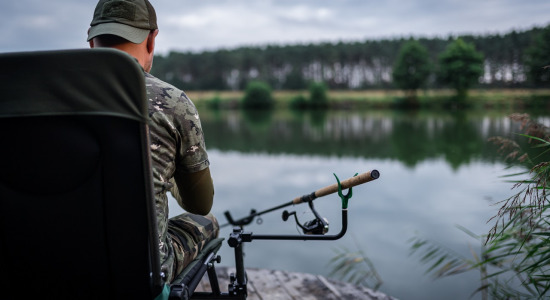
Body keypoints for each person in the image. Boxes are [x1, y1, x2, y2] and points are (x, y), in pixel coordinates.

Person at [87, 0, 219, 282]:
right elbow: (200, 204)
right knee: (208, 222)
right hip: (140, 272)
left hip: (45, 261)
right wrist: (165, 175)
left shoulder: (40, 98)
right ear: (151, 39)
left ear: (92, 42)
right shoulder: (172, 103)